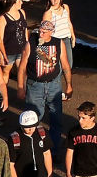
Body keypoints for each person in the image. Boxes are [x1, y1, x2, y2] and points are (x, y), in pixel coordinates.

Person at [18, 18, 71, 150]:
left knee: (56, 119)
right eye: (40, 31)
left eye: (44, 32)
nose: (41, 34)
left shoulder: (58, 43)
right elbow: (22, 68)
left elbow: (65, 65)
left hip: (54, 85)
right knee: (33, 119)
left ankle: (54, 149)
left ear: (51, 32)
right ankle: (33, 149)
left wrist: (69, 85)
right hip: (35, 86)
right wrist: (20, 87)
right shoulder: (30, 44)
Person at [41, 0, 74, 71]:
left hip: (66, 39)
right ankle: (56, 82)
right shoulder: (48, 13)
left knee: (69, 64)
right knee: (57, 65)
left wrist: (73, 36)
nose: (55, 0)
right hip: (56, 40)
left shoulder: (65, 7)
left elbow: (68, 22)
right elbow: (44, 30)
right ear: (49, 0)